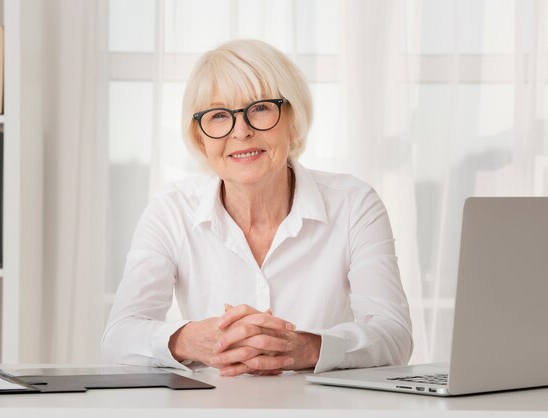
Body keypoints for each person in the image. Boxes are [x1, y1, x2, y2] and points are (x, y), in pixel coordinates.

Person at [102, 39, 412, 376]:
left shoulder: (354, 204)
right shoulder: (170, 211)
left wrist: (305, 347)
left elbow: (394, 334)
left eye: (261, 108)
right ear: (200, 138)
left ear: (292, 119)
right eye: (219, 115)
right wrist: (189, 340)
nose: (242, 131)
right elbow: (119, 335)